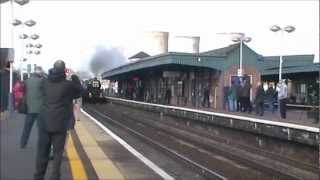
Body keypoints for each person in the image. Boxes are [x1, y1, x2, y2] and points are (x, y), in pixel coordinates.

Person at [34, 60, 82, 180]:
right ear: (64, 70)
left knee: (42, 153)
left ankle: (38, 177)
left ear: (53, 69)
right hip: (60, 124)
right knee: (57, 154)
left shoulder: (44, 82)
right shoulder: (68, 85)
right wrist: (75, 76)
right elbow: (80, 91)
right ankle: (55, 177)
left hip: (44, 122)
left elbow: (39, 95)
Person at [20, 67, 43, 148]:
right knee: (41, 129)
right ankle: (41, 145)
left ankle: (23, 143)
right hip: (40, 109)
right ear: (40, 73)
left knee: (27, 127)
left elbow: (23, 91)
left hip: (30, 108)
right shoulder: (42, 81)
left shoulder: (27, 81)